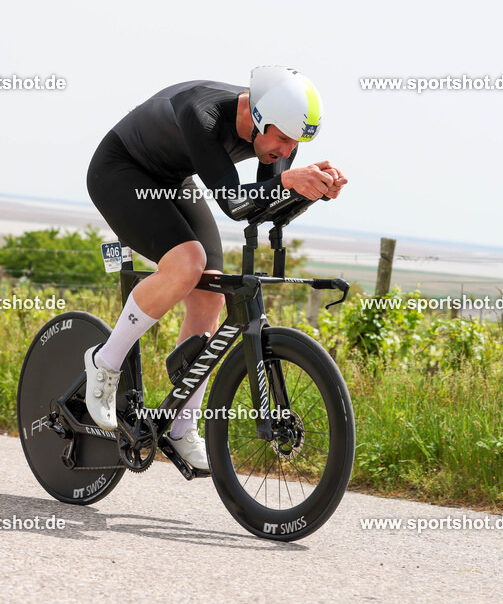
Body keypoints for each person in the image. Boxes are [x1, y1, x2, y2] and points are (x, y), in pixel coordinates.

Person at [83, 66, 347, 470]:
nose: (287, 149)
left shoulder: (278, 136)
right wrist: (289, 182)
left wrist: (313, 192)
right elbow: (235, 204)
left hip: (171, 178)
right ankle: (104, 364)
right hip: (121, 170)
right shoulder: (203, 112)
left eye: (297, 142)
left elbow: (262, 209)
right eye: (282, 139)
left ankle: (180, 425)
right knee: (187, 263)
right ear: (258, 117)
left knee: (211, 292)